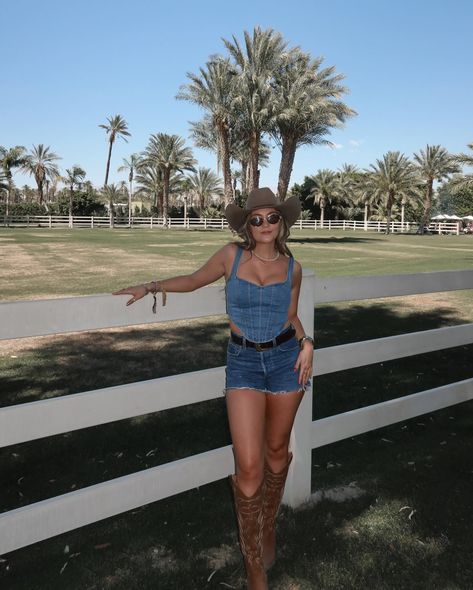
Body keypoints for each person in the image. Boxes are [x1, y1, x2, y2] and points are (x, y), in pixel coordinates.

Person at [113, 187, 314, 590]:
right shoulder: (230, 255)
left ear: (282, 221)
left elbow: (290, 315)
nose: (264, 225)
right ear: (246, 225)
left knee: (278, 452)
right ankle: (253, 561)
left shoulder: (293, 268)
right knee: (250, 464)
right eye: (255, 220)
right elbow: (192, 279)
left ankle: (267, 527)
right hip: (242, 364)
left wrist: (307, 343)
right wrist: (150, 286)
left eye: (271, 217)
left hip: (284, 362)